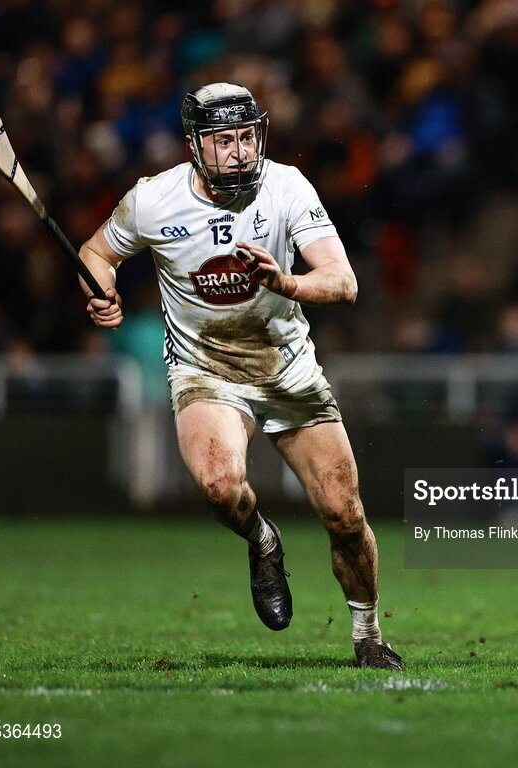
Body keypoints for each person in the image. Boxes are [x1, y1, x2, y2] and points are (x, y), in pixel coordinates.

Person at [79, 82, 402, 670]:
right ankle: (264, 541)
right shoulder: (153, 201)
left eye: (248, 138)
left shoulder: (287, 186)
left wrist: (288, 285)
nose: (239, 152)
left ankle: (368, 635)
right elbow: (96, 252)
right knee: (221, 487)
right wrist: (100, 291)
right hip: (205, 367)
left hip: (286, 365)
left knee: (344, 514)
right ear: (195, 146)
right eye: (223, 141)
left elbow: (344, 282)